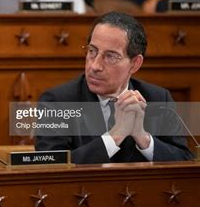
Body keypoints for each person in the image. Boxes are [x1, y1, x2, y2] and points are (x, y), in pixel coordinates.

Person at [35, 11, 193, 164]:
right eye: (92, 51)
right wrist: (116, 135)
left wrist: (143, 137)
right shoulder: (57, 102)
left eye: (110, 56)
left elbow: (184, 162)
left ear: (135, 64)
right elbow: (50, 164)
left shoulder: (158, 99)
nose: (95, 66)